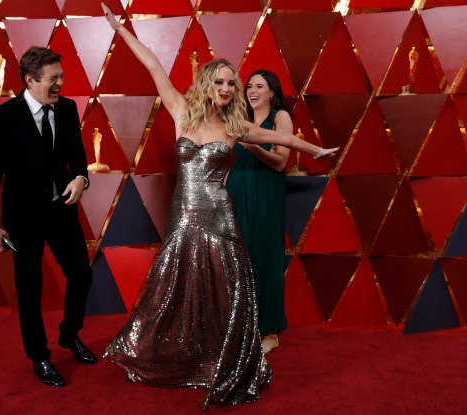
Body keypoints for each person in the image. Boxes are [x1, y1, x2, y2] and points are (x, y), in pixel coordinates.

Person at [101, 4, 338, 408]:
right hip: (183, 214)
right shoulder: (180, 110)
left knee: (225, 288)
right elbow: (155, 65)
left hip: (219, 216)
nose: (229, 89)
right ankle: (179, 353)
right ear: (208, 83)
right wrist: (121, 30)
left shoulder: (235, 126)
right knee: (177, 285)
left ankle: (224, 355)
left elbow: (284, 142)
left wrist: (316, 148)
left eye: (233, 83)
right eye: (222, 82)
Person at [0, 46, 96, 388]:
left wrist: (81, 178)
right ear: (29, 80)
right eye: (52, 78)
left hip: (62, 211)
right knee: (30, 288)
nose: (60, 83)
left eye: (61, 76)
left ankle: (69, 335)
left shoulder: (69, 109)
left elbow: (79, 157)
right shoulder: (3, 117)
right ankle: (40, 357)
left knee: (81, 275)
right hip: (23, 217)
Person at [226, 70, 292, 354]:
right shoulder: (239, 118)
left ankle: (269, 331)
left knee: (264, 257)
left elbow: (280, 162)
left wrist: (251, 145)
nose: (252, 90)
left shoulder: (280, 118)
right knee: (239, 258)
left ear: (272, 92)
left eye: (259, 86)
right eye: (249, 86)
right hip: (237, 191)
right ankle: (243, 326)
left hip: (265, 193)